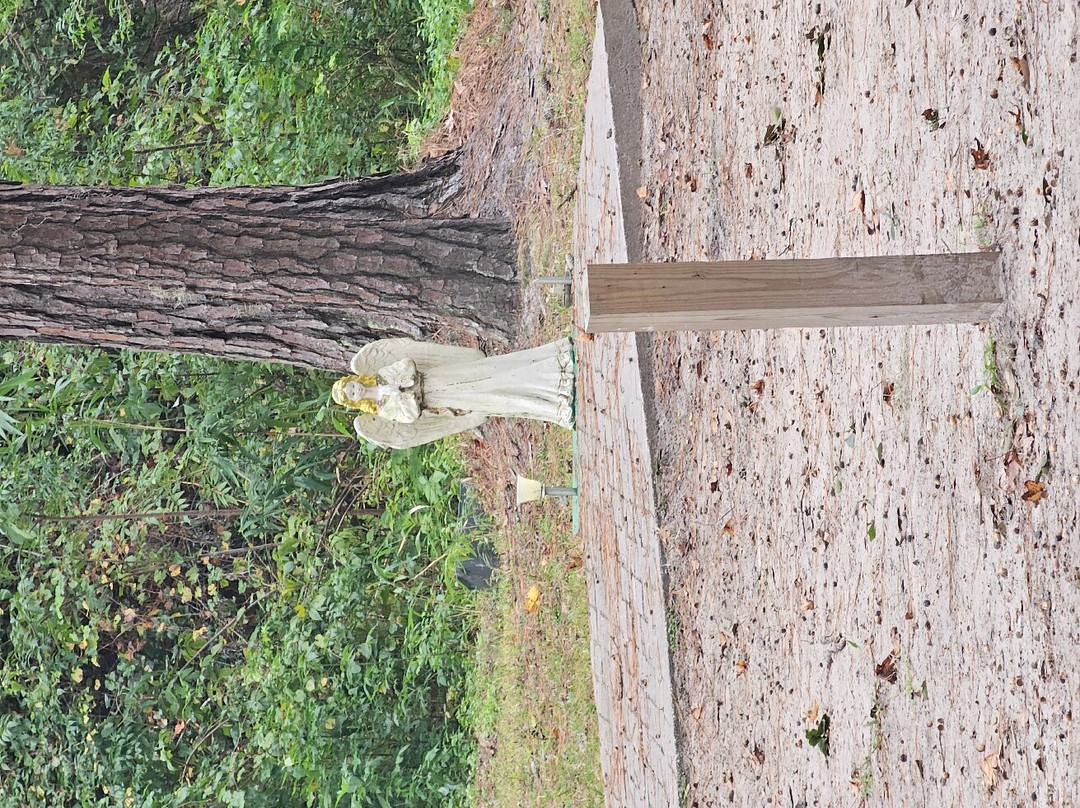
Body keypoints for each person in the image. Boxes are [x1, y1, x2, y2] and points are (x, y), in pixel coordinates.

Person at [332, 337, 574, 449]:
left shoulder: (382, 374)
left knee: (488, 372)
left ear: (355, 379)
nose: (355, 390)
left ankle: (549, 368)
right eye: (352, 394)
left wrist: (400, 384)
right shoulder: (384, 410)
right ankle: (549, 400)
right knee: (488, 396)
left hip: (439, 377)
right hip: (440, 398)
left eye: (351, 385)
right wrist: (404, 395)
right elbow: (409, 415)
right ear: (355, 402)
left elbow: (406, 363)